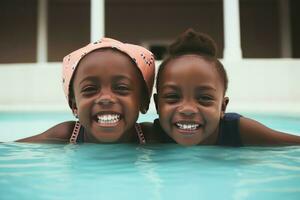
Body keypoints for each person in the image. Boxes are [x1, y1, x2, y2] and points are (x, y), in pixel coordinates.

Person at [152, 29, 300, 146]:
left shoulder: (239, 131)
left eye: (204, 98)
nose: (188, 109)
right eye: (173, 97)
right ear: (157, 105)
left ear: (223, 107)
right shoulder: (148, 135)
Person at [18, 38, 156, 144]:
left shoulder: (152, 136)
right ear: (74, 105)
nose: (106, 98)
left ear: (143, 101)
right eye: (90, 89)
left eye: (121, 88)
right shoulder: (66, 135)